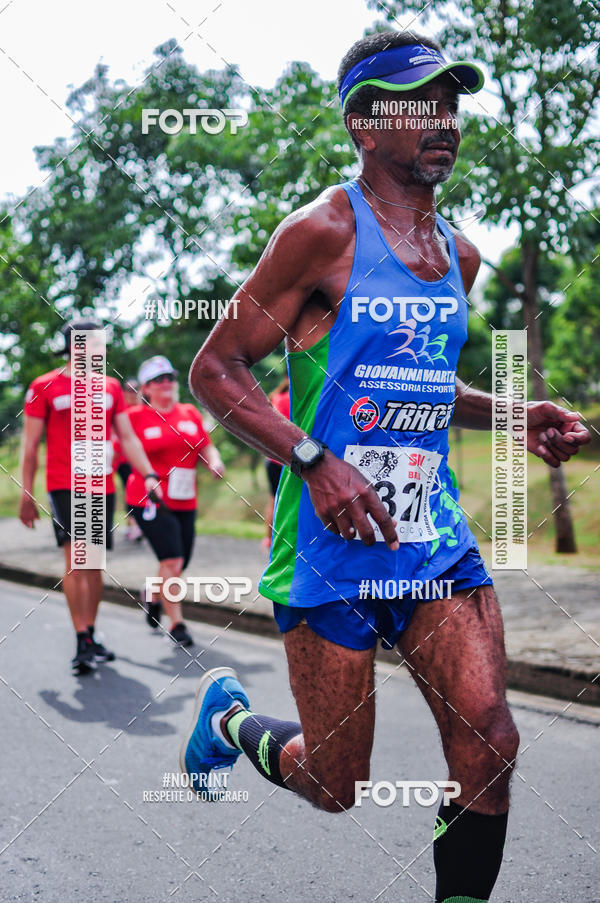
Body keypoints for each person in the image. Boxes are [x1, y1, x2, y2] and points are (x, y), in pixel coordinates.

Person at [181, 30, 590, 903]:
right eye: (419, 102)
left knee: (491, 742)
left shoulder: (460, 257)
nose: (443, 119)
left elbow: (422, 386)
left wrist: (516, 414)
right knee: (335, 783)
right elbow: (215, 369)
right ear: (364, 125)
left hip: (429, 540)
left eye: (451, 102)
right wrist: (313, 459)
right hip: (330, 551)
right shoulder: (321, 233)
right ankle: (226, 717)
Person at [19, 320, 162, 674]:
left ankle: (91, 634)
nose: (102, 350)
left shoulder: (110, 388)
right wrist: (25, 491)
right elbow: (30, 445)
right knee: (76, 558)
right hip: (63, 483)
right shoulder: (44, 387)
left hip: (101, 485)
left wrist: (148, 474)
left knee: (94, 563)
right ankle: (81, 635)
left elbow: (127, 437)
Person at [125, 355, 225, 647]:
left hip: (185, 500)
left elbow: (206, 446)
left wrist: (214, 462)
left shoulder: (189, 412)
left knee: (179, 563)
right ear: (146, 388)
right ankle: (178, 624)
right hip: (148, 499)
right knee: (172, 560)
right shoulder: (134, 418)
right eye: (159, 379)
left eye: (169, 377)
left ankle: (153, 594)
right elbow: (118, 451)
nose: (167, 383)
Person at [112, 377, 143, 542]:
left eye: (135, 390)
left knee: (136, 491)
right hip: (122, 460)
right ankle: (133, 524)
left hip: (139, 459)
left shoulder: (145, 410)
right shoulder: (121, 410)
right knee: (129, 490)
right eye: (130, 390)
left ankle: (135, 524)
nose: (133, 394)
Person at [262, 377, 290, 550]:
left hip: (272, 458)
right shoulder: (292, 399)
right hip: (285, 460)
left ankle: (269, 539)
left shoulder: (276, 398)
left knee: (274, 500)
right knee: (286, 501)